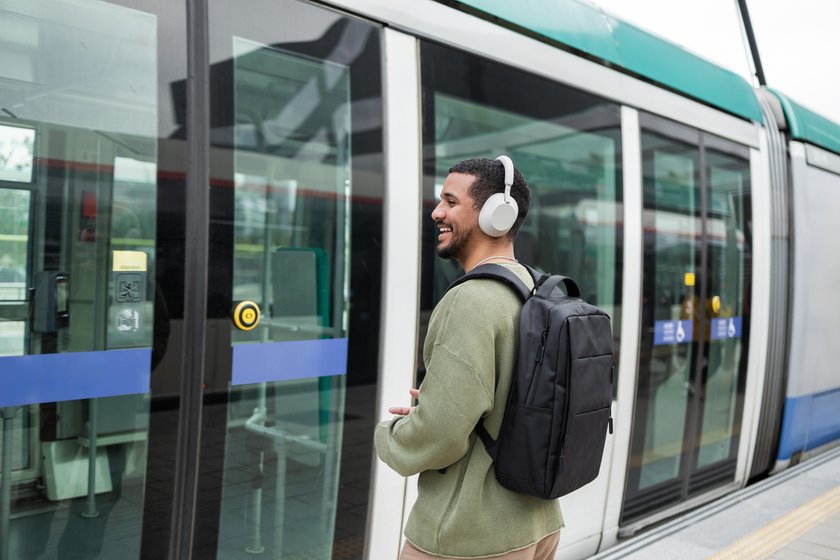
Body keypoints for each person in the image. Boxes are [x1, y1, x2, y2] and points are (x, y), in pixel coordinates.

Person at [374, 158, 562, 559]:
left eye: (450, 201)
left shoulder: (470, 300)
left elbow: (440, 436)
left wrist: (390, 435)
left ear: (495, 213)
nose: (436, 212)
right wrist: (445, 405)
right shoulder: (536, 286)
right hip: (537, 522)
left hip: (470, 535)